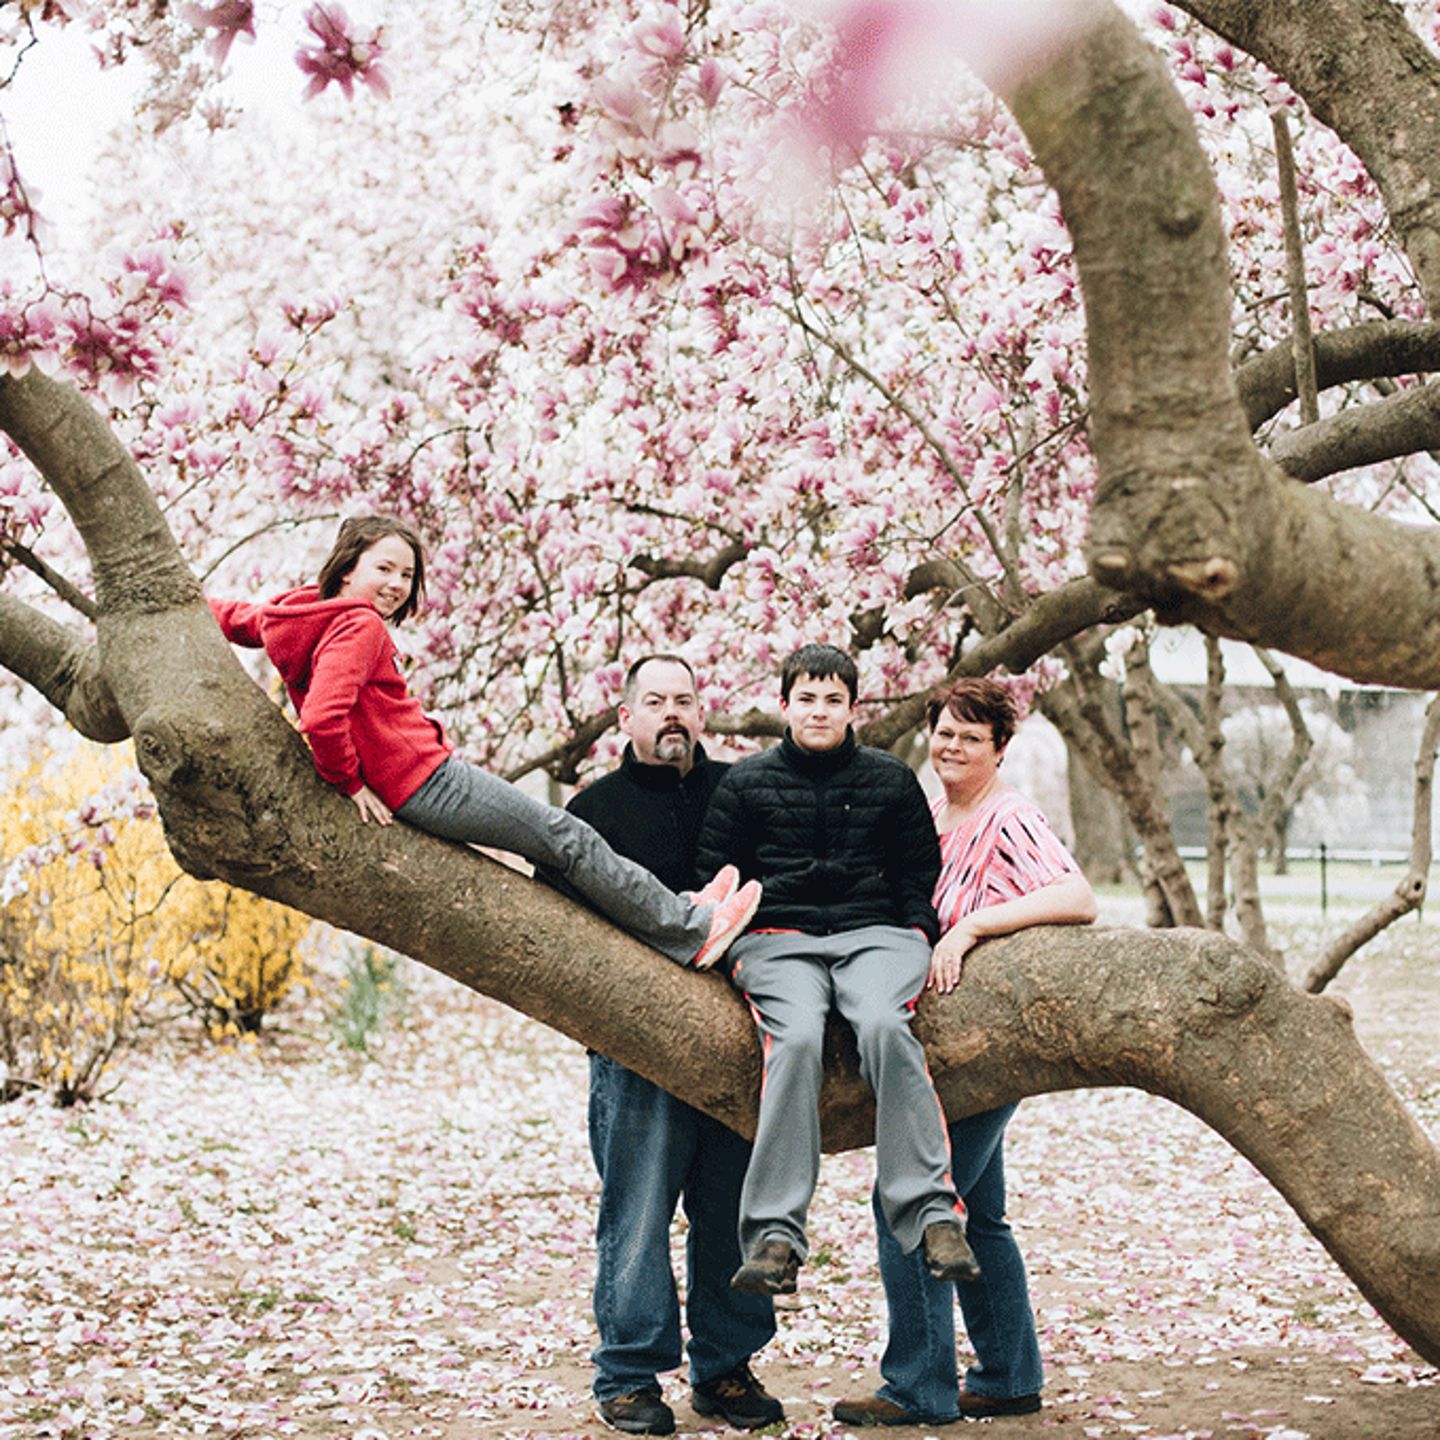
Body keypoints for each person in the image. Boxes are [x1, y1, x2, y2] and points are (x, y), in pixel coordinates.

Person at [208, 514, 759, 971]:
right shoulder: (360, 626)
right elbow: (324, 719)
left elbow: (242, 619)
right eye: (385, 569)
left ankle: (674, 912)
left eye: (407, 574)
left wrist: (182, 603)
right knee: (566, 836)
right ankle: (690, 930)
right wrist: (348, 782)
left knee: (560, 841)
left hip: (416, 778)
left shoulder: (302, 613)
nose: (398, 585)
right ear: (347, 568)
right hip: (425, 782)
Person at [833, 677, 1098, 1427]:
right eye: (945, 732)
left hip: (982, 1051)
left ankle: (919, 1388)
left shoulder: (1006, 815)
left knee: (910, 1204)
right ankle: (1011, 1375)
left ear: (1000, 749)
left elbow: (1077, 898)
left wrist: (972, 929)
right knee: (979, 1218)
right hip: (940, 1050)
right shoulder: (937, 812)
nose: (952, 746)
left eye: (970, 737)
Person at [694, 643, 980, 1299]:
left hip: (876, 935)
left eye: (833, 699)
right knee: (793, 1043)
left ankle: (934, 1214)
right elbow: (717, 878)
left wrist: (914, 931)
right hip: (776, 938)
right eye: (806, 698)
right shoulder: (745, 783)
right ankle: (775, 1235)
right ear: (784, 704)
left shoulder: (889, 778)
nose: (819, 711)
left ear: (853, 708)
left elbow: (918, 875)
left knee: (884, 1027)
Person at [568, 655, 782, 1436]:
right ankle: (628, 1375)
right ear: (623, 717)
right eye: (653, 701)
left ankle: (726, 1369)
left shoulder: (746, 793)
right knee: (639, 1212)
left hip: (739, 1039)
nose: (672, 714)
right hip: (635, 1051)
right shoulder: (593, 811)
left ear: (703, 712)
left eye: (685, 701)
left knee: (729, 1212)